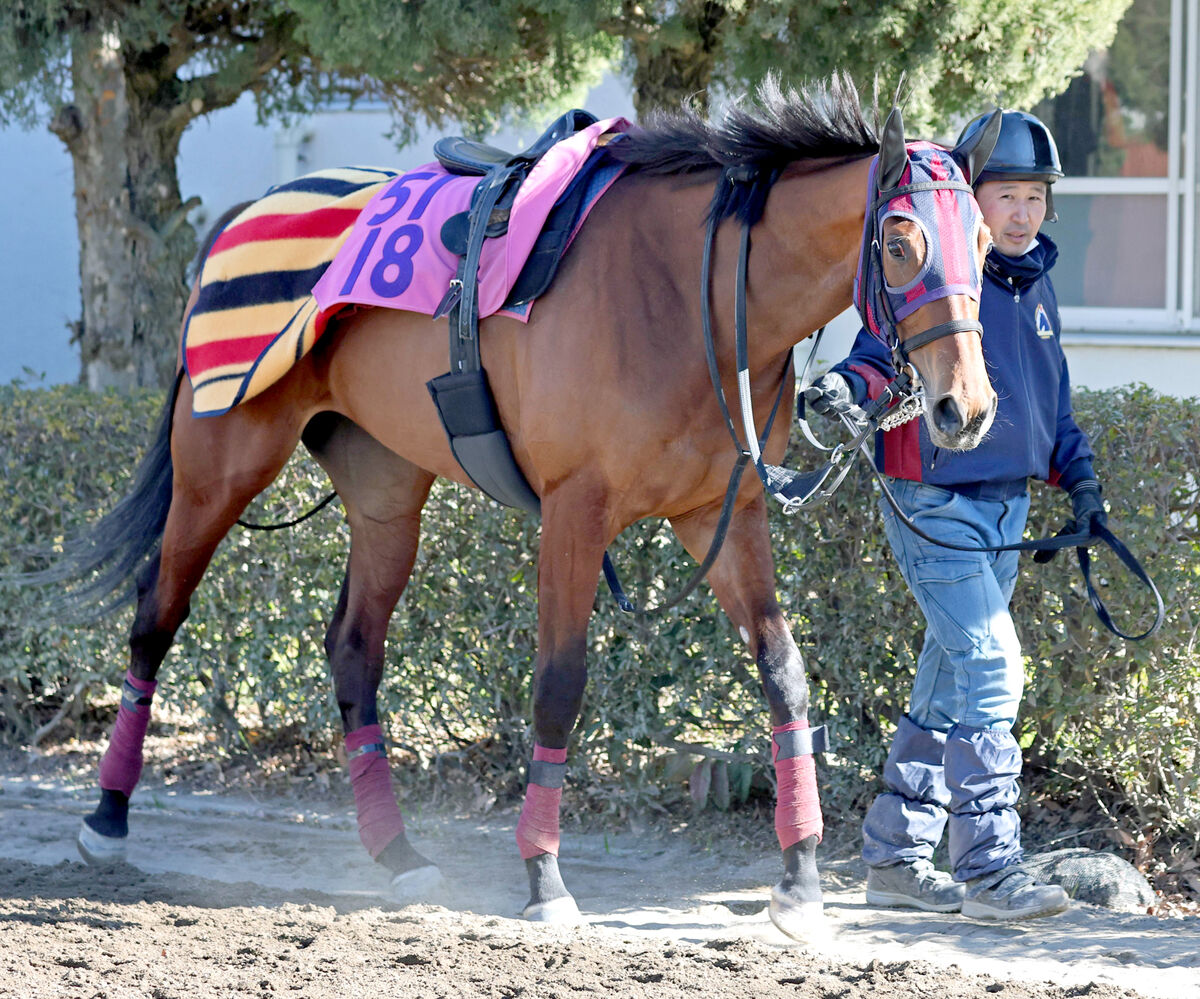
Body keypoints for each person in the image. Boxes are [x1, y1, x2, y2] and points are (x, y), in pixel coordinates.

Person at [804, 110, 1106, 921]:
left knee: (948, 681)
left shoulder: (1035, 286)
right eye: (1005, 197)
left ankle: (897, 857)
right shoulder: (941, 280)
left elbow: (1055, 405)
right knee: (993, 667)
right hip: (931, 501)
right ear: (972, 204)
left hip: (1006, 508)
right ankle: (989, 868)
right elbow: (875, 357)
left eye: (1034, 198)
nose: (1021, 214)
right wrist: (842, 388)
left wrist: (1082, 486)